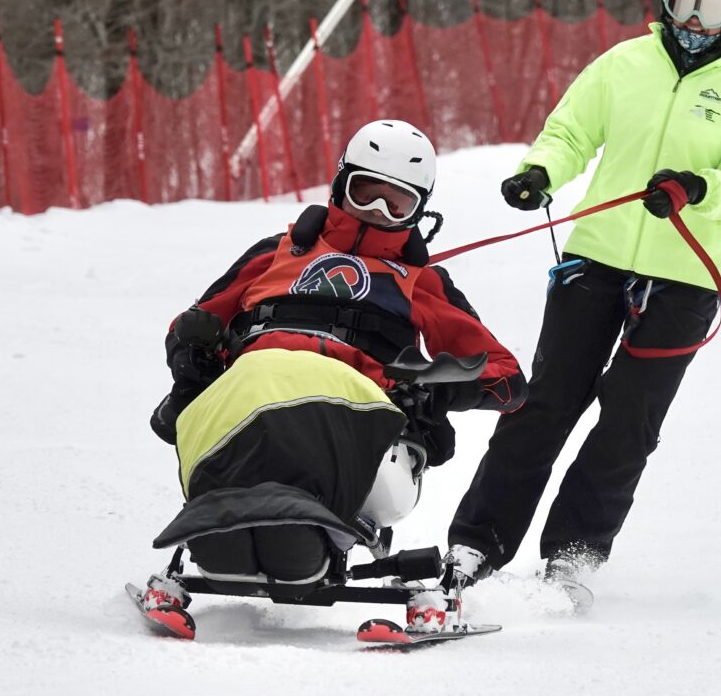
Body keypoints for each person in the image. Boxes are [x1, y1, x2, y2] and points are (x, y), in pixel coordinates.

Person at [443, 0, 721, 589]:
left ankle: (574, 554)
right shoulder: (623, 65)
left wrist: (696, 188)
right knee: (543, 405)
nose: (693, 18)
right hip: (595, 260)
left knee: (629, 422)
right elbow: (571, 133)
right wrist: (539, 172)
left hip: (685, 278)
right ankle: (477, 545)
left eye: (710, 7)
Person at [145, 119, 526, 630]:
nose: (378, 212)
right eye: (366, 192)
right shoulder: (273, 253)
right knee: (233, 532)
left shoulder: (422, 282)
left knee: (290, 533)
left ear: (419, 210)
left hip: (357, 412)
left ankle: (316, 522)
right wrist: (190, 353)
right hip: (250, 387)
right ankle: (234, 521)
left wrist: (438, 389)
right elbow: (197, 318)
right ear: (339, 184)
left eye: (397, 204)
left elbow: (504, 376)